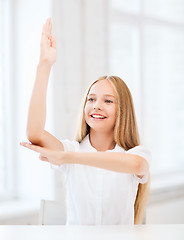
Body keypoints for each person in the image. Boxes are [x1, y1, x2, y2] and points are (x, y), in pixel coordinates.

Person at [20, 18, 151, 225]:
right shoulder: (71, 150)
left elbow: (136, 165)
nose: (96, 106)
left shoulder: (135, 154)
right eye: (91, 99)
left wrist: (68, 158)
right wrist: (44, 65)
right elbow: (34, 133)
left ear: (123, 110)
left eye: (108, 101)